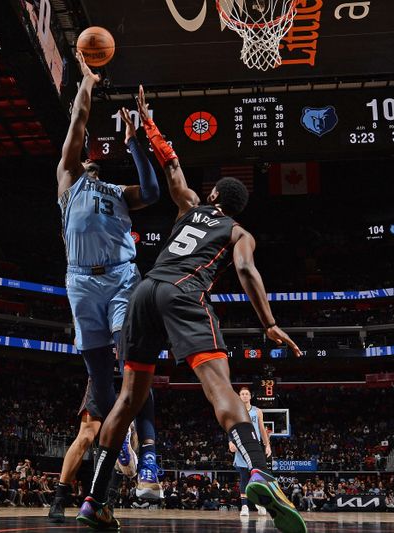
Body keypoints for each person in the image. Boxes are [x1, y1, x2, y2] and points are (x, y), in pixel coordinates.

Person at [76, 84, 306, 533]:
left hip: (145, 290)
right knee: (219, 386)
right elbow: (247, 274)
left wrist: (148, 124)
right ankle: (259, 471)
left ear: (215, 192)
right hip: (184, 293)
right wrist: (270, 324)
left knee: (127, 400)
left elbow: (173, 166)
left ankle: (95, 500)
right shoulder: (239, 232)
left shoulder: (191, 204)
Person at [49, 51, 161, 523]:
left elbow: (153, 191)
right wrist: (87, 85)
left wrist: (137, 144)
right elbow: (76, 125)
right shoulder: (69, 181)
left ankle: (149, 450)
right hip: (79, 284)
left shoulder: (119, 193)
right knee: (99, 384)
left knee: (131, 363)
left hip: (119, 281)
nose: (90, 159)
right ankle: (121, 452)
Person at [230, 386, 270, 516]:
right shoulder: (235, 411)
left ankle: (259, 504)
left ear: (250, 396)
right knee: (244, 478)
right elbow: (230, 427)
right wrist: (230, 441)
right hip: (241, 446)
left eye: (247, 393)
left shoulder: (257, 411)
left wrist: (267, 445)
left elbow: (262, 429)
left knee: (257, 477)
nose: (245, 396)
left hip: (254, 447)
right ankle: (245, 506)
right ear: (239, 396)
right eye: (242, 394)